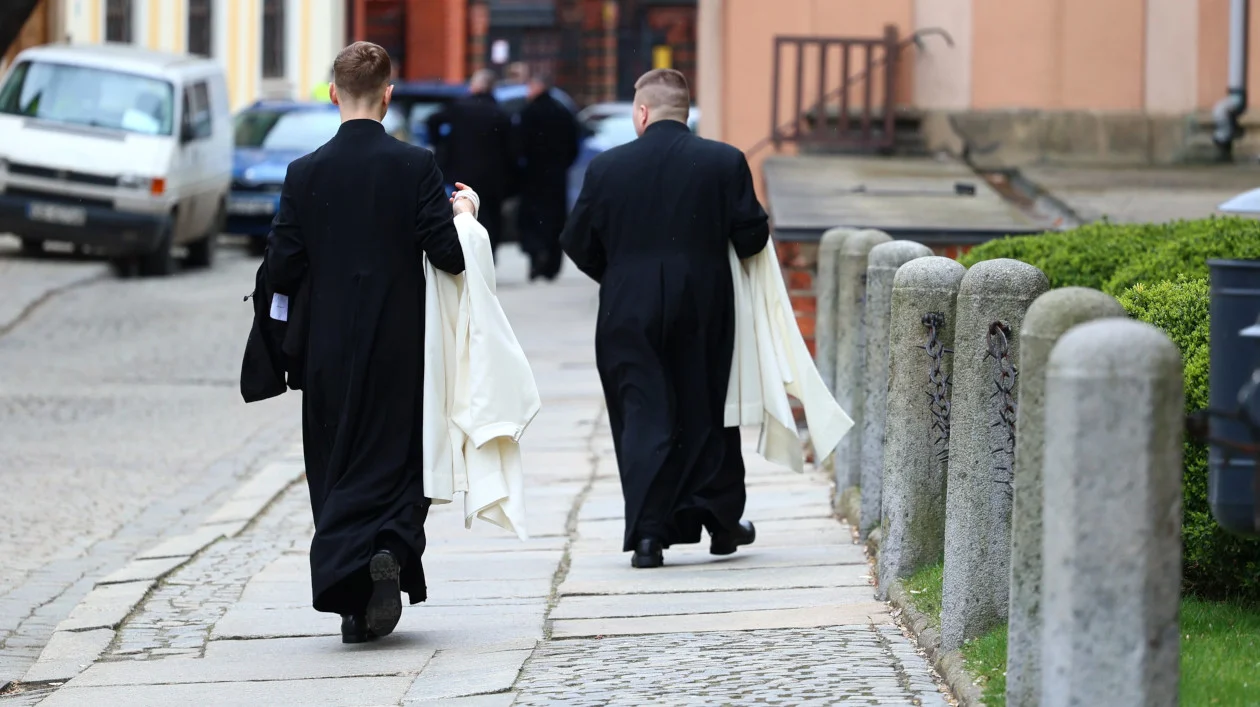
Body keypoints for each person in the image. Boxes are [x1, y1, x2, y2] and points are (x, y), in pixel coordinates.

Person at [265, 41, 471, 644]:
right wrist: (465, 209)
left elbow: (281, 266)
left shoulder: (305, 173)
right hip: (399, 344)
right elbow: (450, 258)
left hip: (328, 347)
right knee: (398, 457)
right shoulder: (416, 165)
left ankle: (353, 596)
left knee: (336, 463)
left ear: (333, 94)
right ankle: (390, 544)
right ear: (389, 94)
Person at [559, 69, 770, 568]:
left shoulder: (607, 168)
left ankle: (649, 534)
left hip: (626, 306)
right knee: (707, 408)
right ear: (685, 112)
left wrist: (621, 274)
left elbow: (576, 241)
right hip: (704, 301)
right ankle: (720, 523)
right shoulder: (724, 161)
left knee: (642, 415)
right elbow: (753, 238)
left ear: (642, 112)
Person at [425, 69, 514, 254]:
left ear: (474, 85)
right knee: (491, 216)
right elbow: (511, 149)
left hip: (460, 172)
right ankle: (489, 253)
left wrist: (440, 144)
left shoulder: (459, 108)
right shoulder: (501, 113)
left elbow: (432, 120)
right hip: (492, 176)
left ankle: (466, 252)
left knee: (462, 212)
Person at [516, 72, 579, 281]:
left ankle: (536, 258)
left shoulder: (528, 112)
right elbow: (574, 144)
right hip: (556, 177)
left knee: (533, 219)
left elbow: (519, 145)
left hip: (533, 176)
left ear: (537, 87)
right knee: (555, 220)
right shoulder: (562, 111)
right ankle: (552, 265)